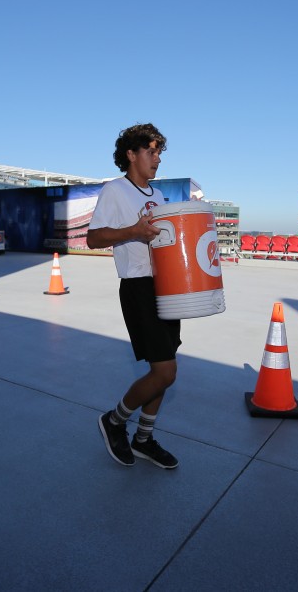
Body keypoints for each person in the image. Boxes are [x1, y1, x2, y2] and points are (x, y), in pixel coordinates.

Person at [86, 123, 180, 469]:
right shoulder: (115, 190)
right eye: (151, 151)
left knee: (167, 368)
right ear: (131, 153)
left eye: (159, 153)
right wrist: (133, 232)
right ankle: (114, 420)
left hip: (165, 286)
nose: (157, 159)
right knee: (165, 371)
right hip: (138, 287)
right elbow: (94, 238)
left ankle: (143, 439)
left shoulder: (157, 196)